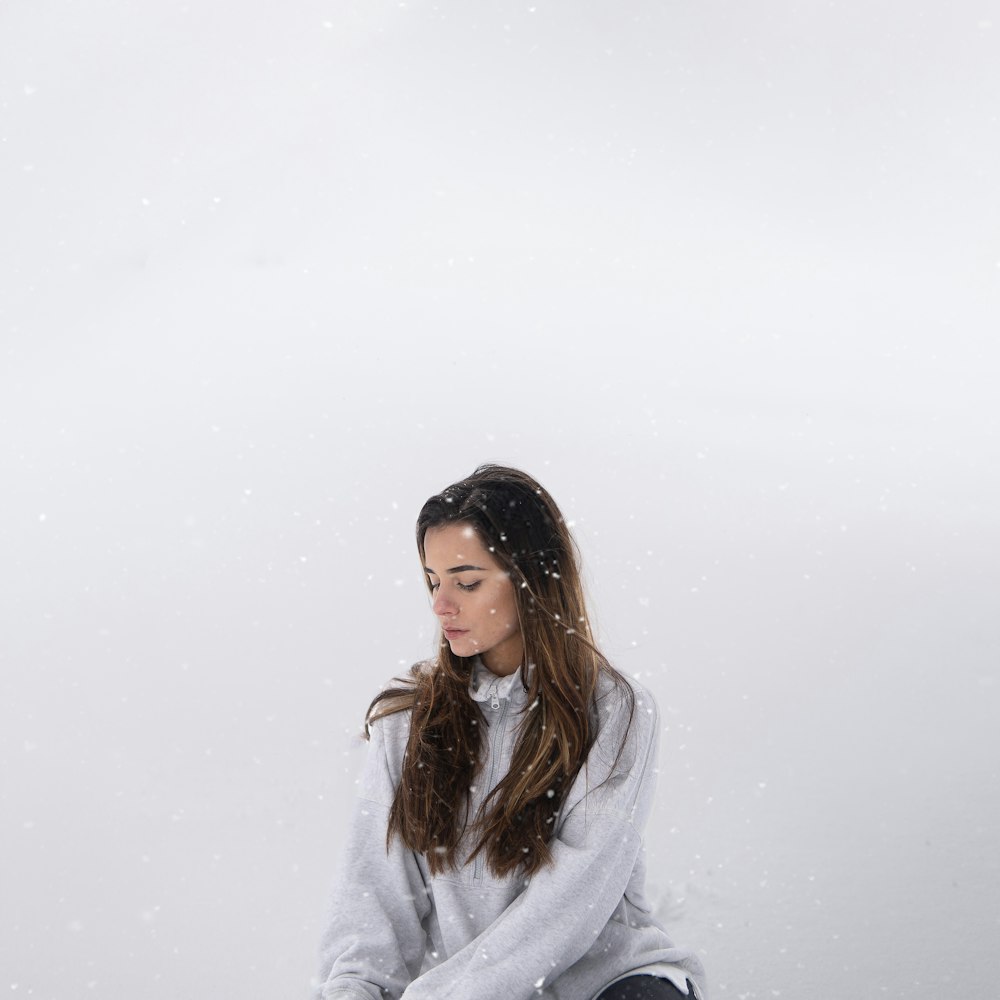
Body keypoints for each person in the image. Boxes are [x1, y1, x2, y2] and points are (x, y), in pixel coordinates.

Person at [314, 465, 707, 1000]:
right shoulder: (407, 723)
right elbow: (371, 906)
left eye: (467, 582)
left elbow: (570, 903)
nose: (440, 605)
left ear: (531, 578)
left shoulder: (615, 710)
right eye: (433, 581)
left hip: (609, 985)